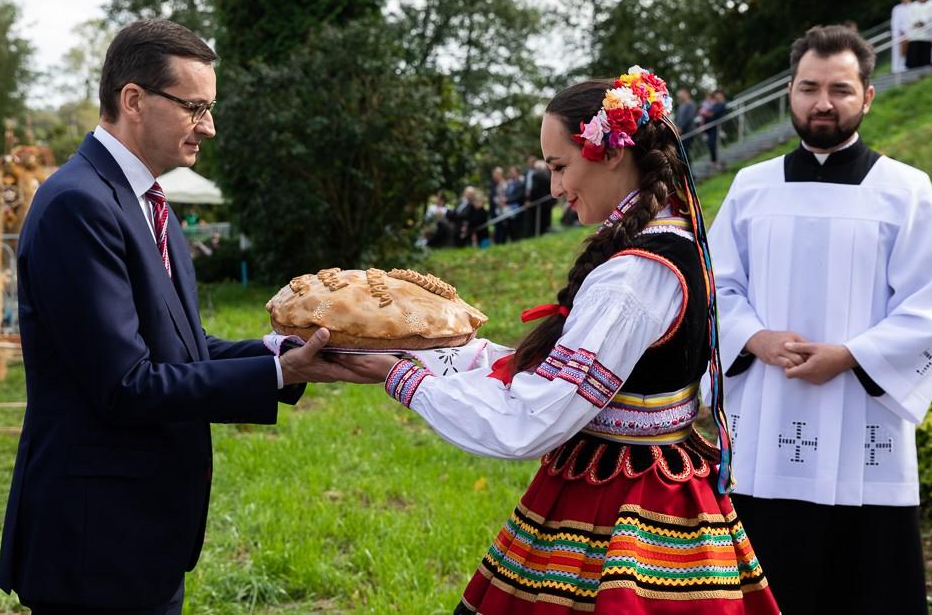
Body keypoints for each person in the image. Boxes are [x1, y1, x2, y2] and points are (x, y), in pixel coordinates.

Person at [330, 66, 780, 613]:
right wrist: (432, 350)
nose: (555, 188)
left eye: (559, 166)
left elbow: (529, 421)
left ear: (610, 152)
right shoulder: (673, 240)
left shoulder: (634, 276)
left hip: (621, 505)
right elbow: (559, 374)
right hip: (654, 485)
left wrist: (401, 377)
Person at [0, 19, 357, 614]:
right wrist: (280, 374)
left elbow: (180, 349)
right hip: (97, 544)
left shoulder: (143, 200)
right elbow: (126, 385)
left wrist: (290, 350)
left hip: (141, 534)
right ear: (133, 100)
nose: (209, 127)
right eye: (194, 107)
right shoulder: (78, 205)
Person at [708, 25, 932, 614]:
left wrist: (850, 355)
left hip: (862, 420)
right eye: (809, 87)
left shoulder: (906, 190)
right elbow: (715, 287)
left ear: (868, 96)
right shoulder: (751, 188)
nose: (824, 102)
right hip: (767, 427)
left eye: (841, 89)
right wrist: (758, 338)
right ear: (790, 94)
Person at [906, 0, 932, 68]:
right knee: (914, 60)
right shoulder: (912, 6)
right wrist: (918, 23)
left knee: (925, 60)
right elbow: (911, 20)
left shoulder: (931, 4)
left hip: (927, 36)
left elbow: (931, 17)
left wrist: (923, 22)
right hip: (915, 36)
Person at [890, 0, 912, 74]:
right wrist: (900, 31)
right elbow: (895, 22)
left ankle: (906, 65)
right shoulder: (897, 8)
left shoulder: (913, 6)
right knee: (898, 51)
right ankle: (897, 68)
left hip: (911, 32)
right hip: (899, 33)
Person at [674, 87, 698, 156]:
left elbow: (689, 117)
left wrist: (681, 128)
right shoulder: (681, 106)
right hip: (681, 132)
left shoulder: (691, 104)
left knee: (685, 152)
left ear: (686, 94)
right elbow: (677, 118)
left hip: (688, 131)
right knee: (682, 152)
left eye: (681, 95)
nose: (680, 97)